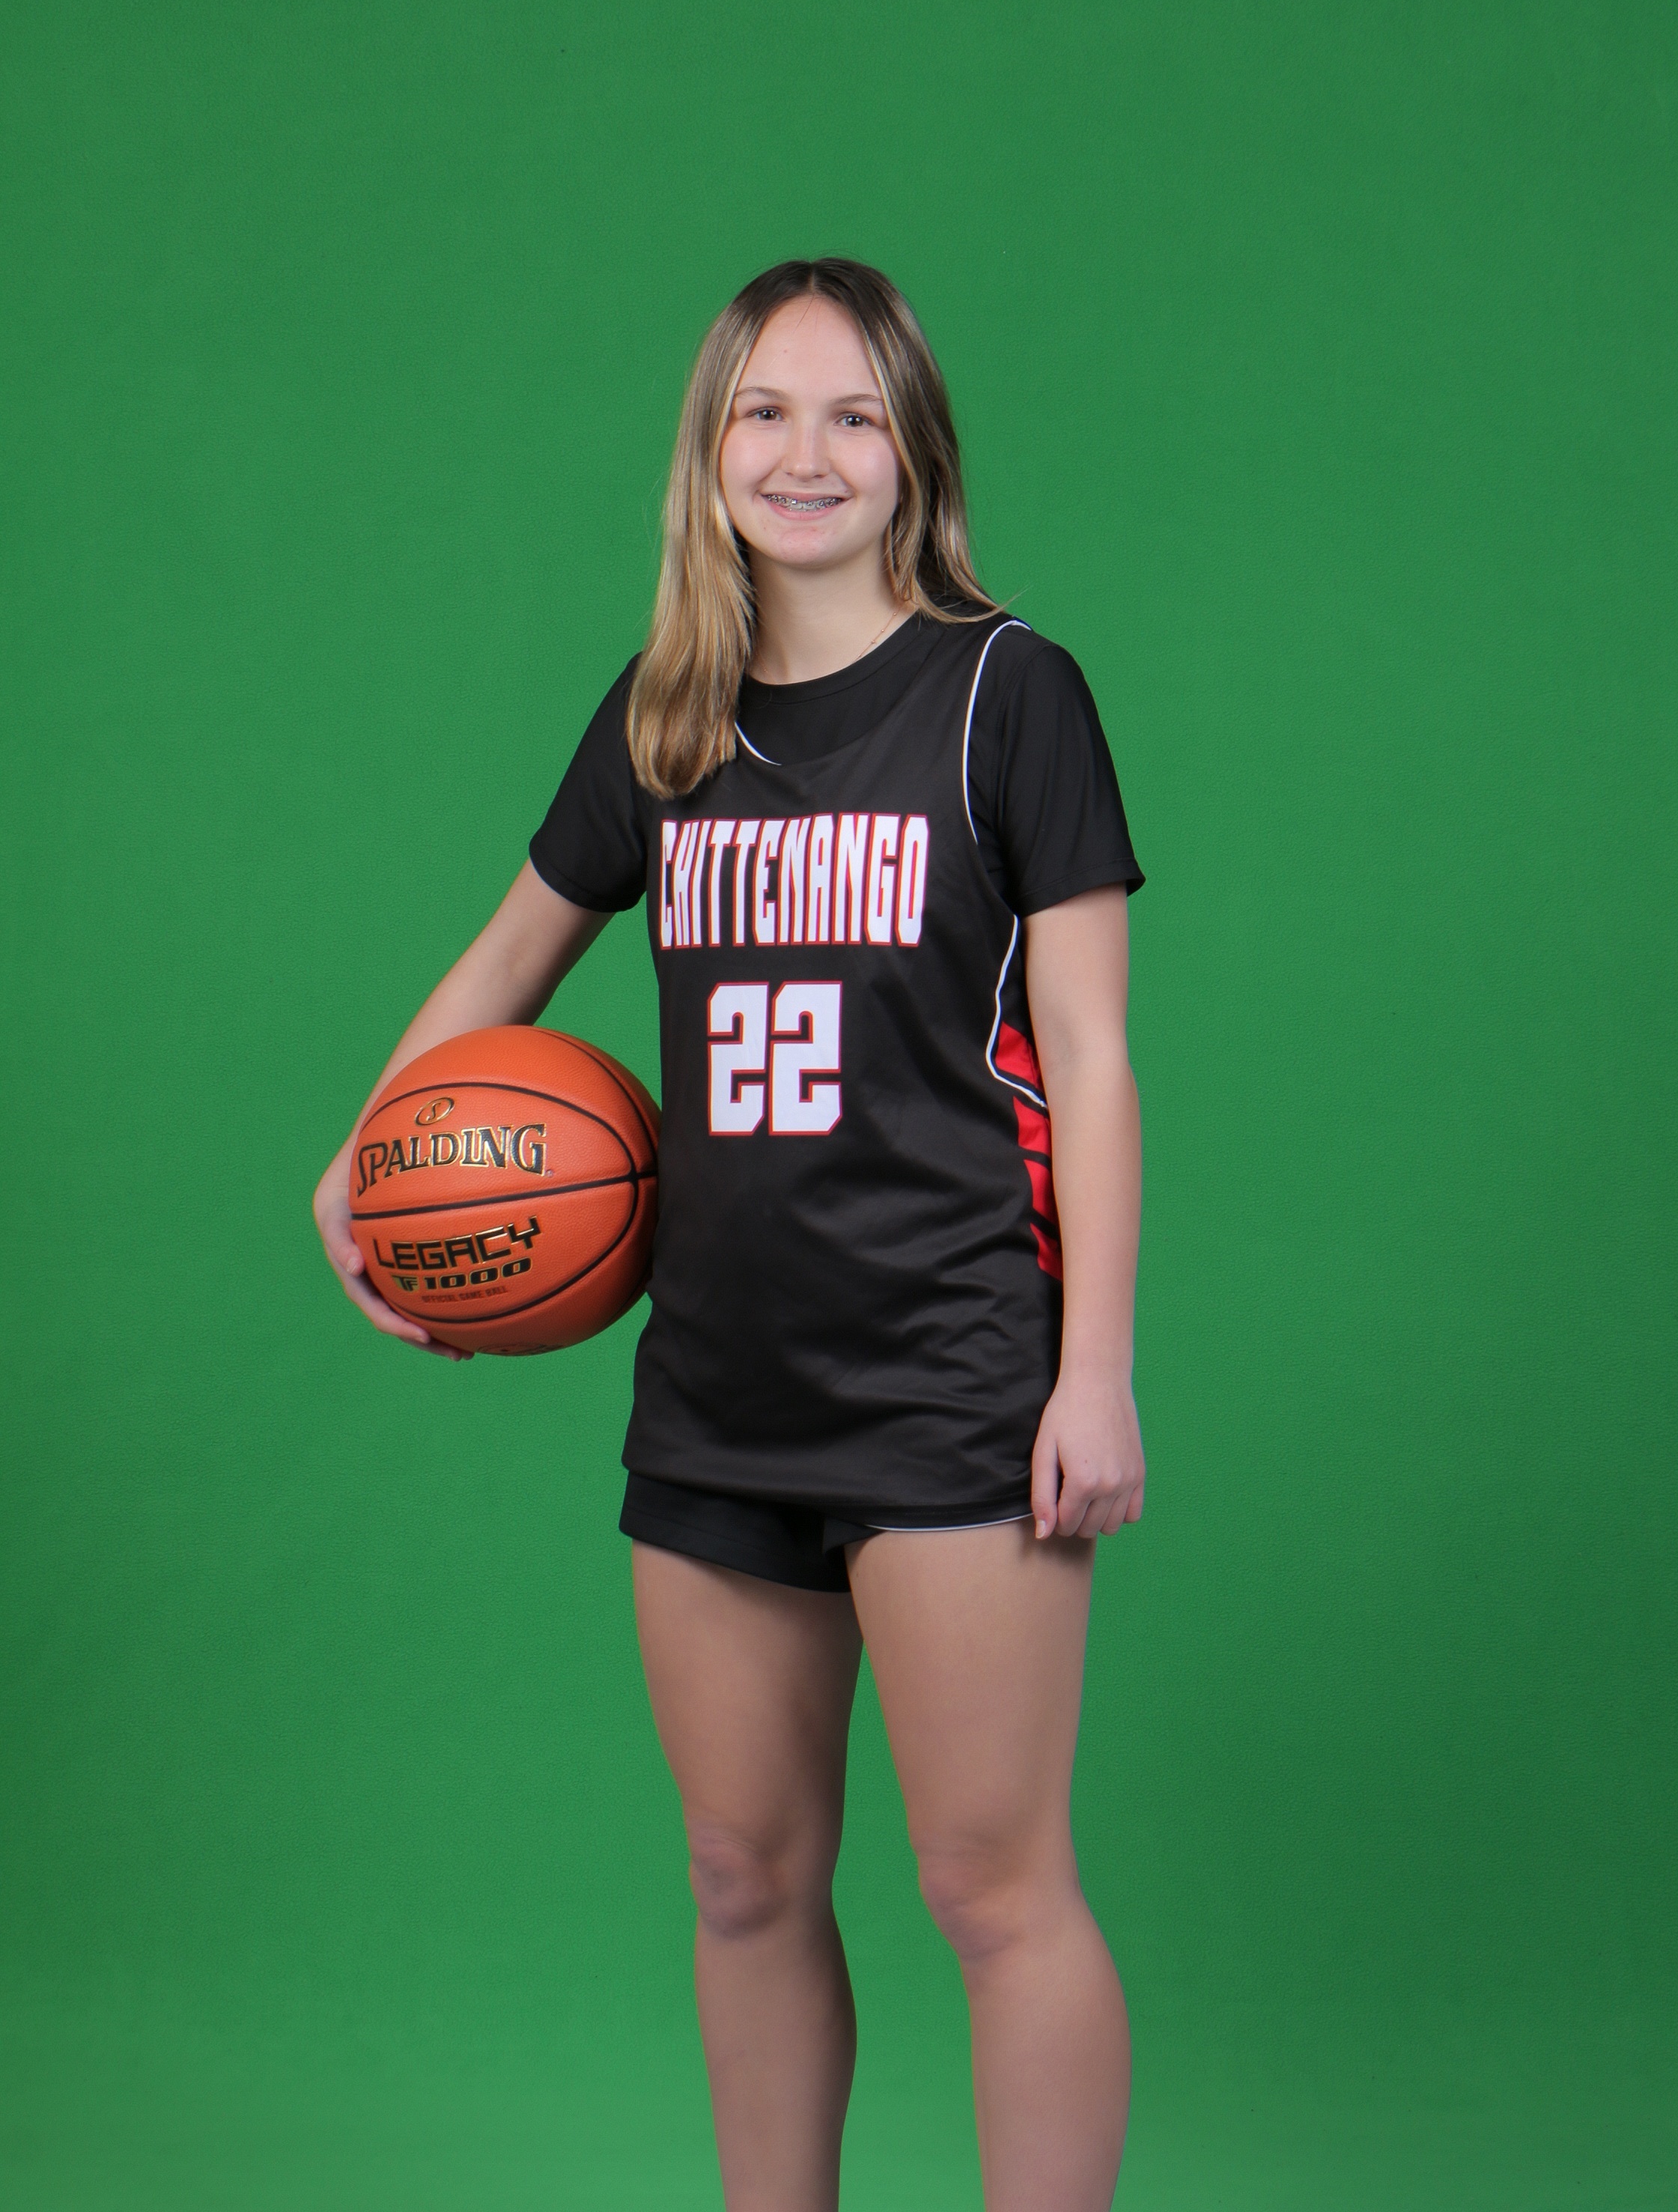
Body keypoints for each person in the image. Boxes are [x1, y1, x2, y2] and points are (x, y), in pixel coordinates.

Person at [312, 258, 1146, 2212]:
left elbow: (1095, 1058)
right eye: (765, 410)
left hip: (948, 1368)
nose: (806, 452)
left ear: (916, 453)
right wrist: (365, 1164)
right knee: (741, 1874)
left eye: (855, 413)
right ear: (710, 450)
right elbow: (507, 963)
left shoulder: (1008, 694)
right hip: (716, 1379)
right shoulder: (664, 714)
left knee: (990, 1886)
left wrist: (1094, 1372)